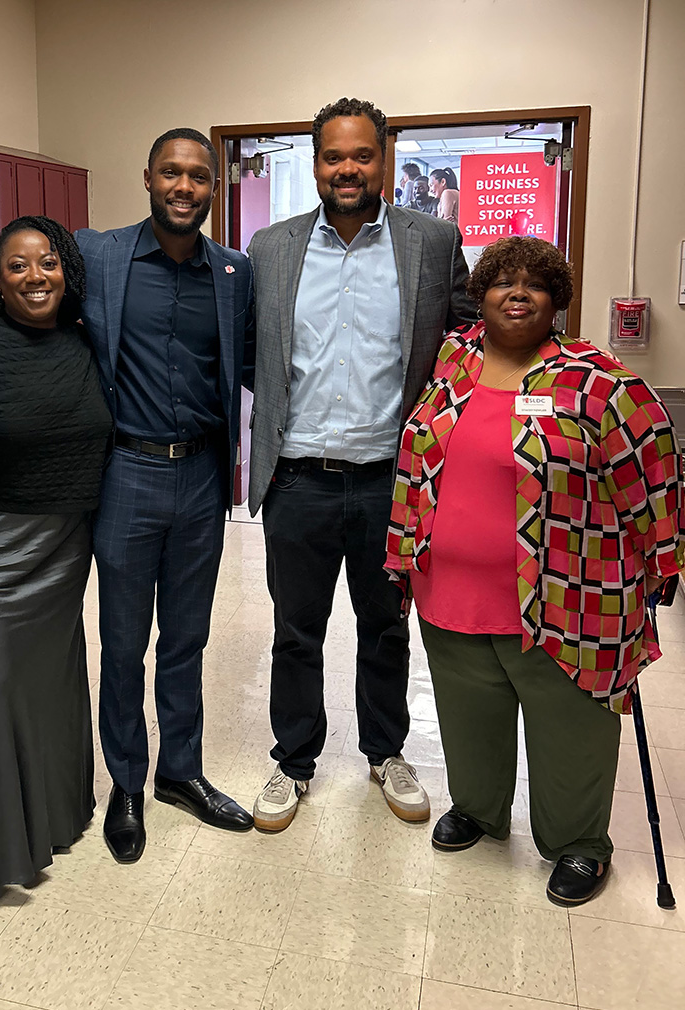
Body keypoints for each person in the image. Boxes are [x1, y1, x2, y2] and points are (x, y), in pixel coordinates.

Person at [386, 236, 684, 906]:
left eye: (535, 285)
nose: (517, 293)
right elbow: (417, 461)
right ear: (481, 295)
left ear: (556, 301)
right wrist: (402, 550)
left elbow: (654, 474)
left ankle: (580, 845)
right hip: (450, 591)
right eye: (502, 282)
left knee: (572, 728)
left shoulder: (600, 381)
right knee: (468, 716)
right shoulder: (452, 361)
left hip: (570, 596)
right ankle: (481, 810)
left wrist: (664, 560)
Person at [246, 97, 477, 833]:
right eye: (333, 156)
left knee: (385, 628)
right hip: (299, 479)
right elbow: (259, 356)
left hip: (391, 482)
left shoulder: (433, 242)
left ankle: (386, 752)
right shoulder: (271, 247)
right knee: (295, 628)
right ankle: (294, 760)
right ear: (316, 163)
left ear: (385, 157)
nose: (347, 169)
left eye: (362, 155)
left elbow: (466, 341)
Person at [76, 128, 255, 864]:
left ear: (214, 188)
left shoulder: (235, 273)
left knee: (187, 638)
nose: (186, 187)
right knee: (123, 643)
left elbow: (256, 365)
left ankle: (181, 772)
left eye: (200, 177)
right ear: (147, 177)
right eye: (172, 173)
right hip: (126, 472)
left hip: (204, 476)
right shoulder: (98, 256)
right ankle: (125, 782)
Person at [0, 216, 111, 893]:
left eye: (47, 263)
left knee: (50, 684)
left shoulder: (88, 343)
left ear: (67, 269)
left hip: (64, 546)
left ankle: (58, 816)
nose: (35, 277)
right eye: (17, 267)